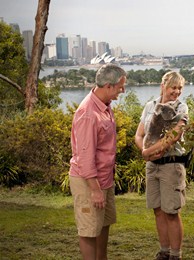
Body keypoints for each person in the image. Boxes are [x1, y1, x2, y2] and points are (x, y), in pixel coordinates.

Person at [68, 63, 126, 260]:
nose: (123, 90)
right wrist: (94, 189)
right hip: (89, 182)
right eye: (120, 86)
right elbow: (85, 158)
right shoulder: (88, 114)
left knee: (103, 224)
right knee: (89, 230)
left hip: (104, 179)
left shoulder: (105, 107)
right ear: (108, 86)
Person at [134, 71, 188, 260]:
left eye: (180, 88)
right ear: (163, 86)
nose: (177, 91)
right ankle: (164, 251)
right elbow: (139, 135)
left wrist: (148, 152)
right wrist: (145, 151)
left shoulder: (182, 108)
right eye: (173, 87)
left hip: (171, 166)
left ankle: (175, 254)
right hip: (152, 166)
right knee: (157, 210)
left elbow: (173, 137)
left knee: (171, 212)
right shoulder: (149, 106)